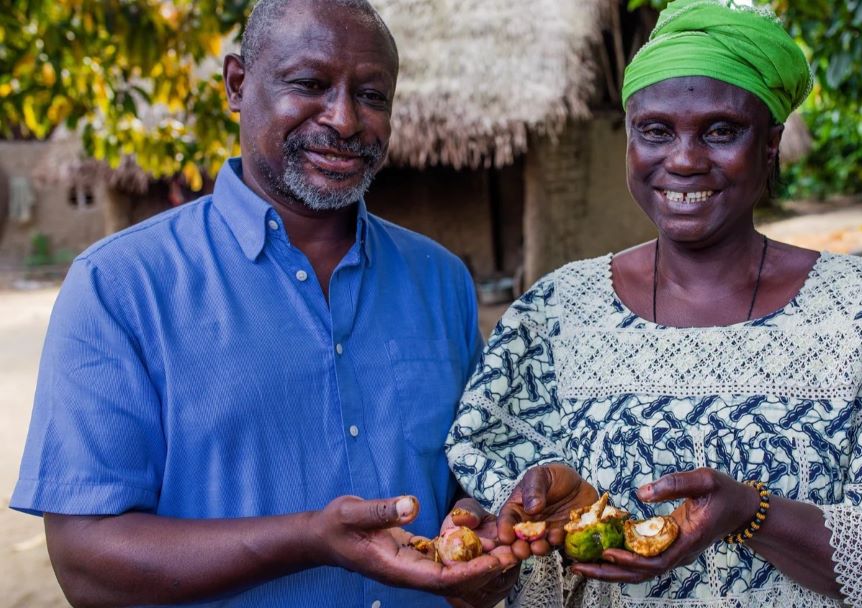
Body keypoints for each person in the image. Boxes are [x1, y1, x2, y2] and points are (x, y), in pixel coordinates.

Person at [446, 1, 862, 606]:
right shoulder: (552, 317)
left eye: (721, 131)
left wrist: (751, 513)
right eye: (655, 131)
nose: (683, 159)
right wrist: (509, 532)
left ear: (770, 145)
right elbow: (489, 561)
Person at [11, 0, 519, 606]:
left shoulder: (440, 279)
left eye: (373, 95)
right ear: (236, 84)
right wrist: (308, 539)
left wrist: (480, 527)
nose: (345, 119)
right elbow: (86, 564)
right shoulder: (120, 286)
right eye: (309, 84)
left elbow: (468, 477)